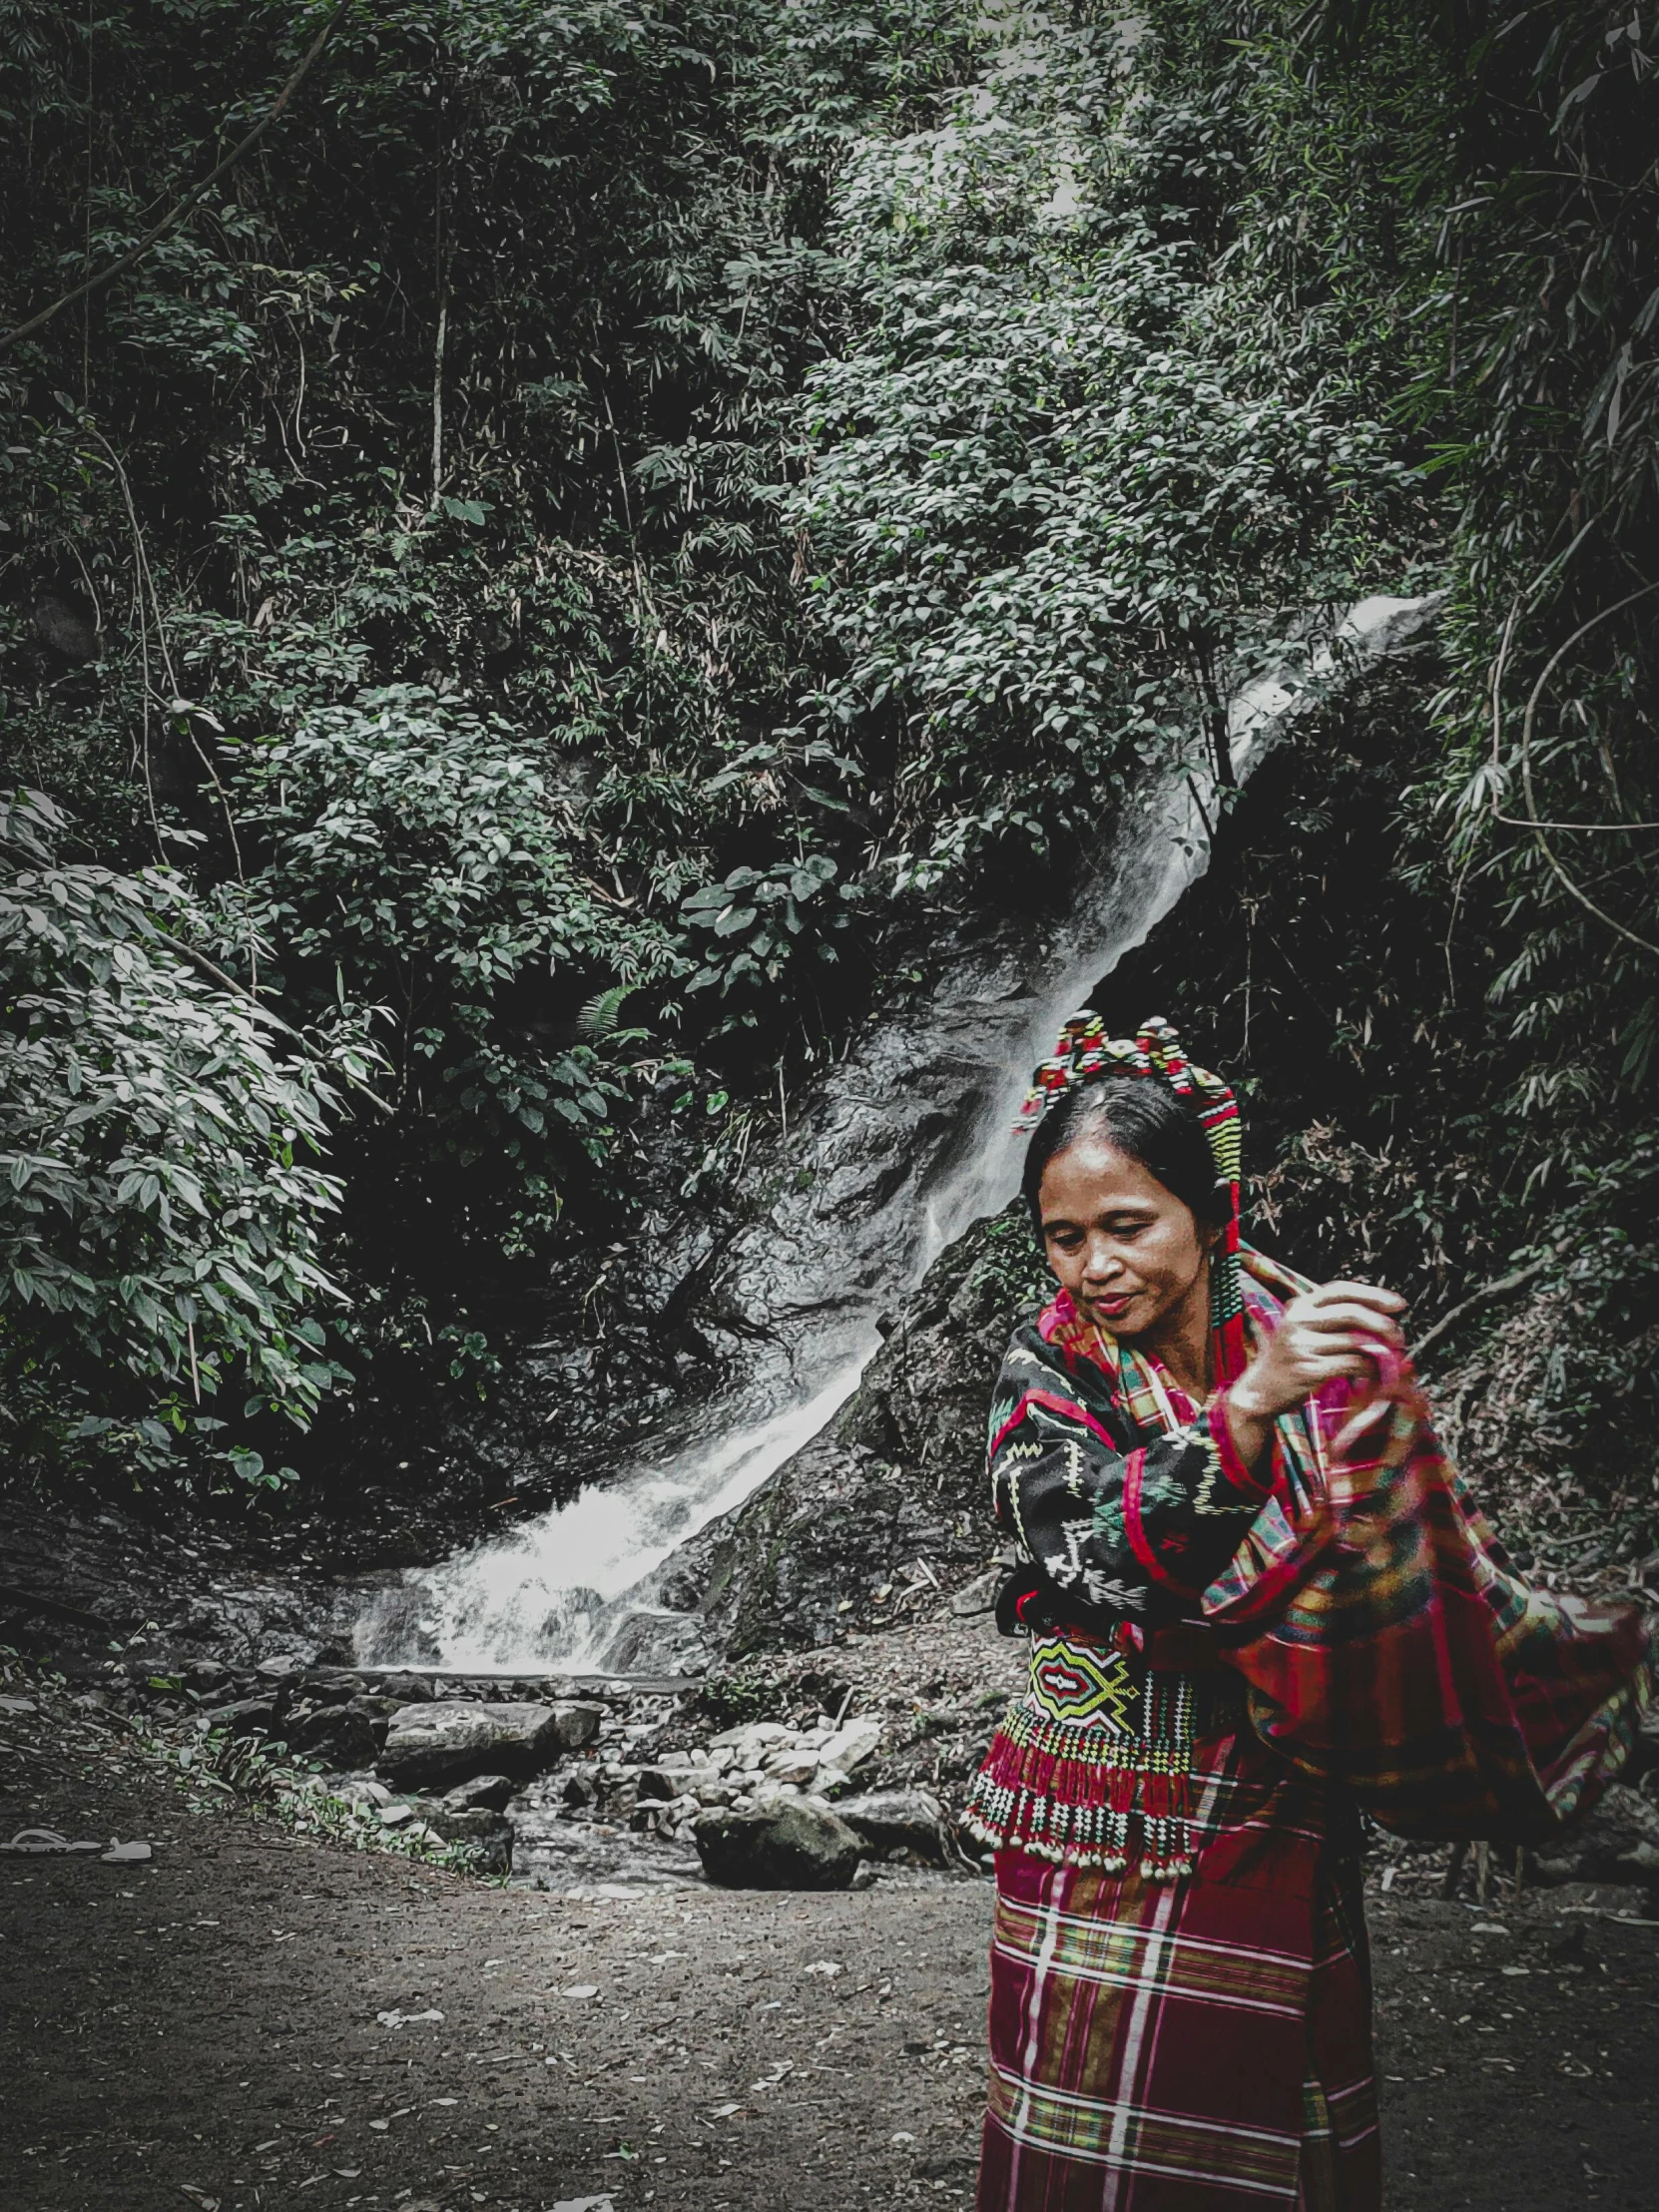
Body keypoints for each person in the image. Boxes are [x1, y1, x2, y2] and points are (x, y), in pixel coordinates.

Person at [966, 1013, 1647, 2211]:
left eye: (1128, 1225)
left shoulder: (1301, 1339)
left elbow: (1418, 1550)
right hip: (1111, 1813)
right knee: (1100, 2145)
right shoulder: (1048, 1373)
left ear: (1208, 1213)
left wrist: (1525, 1657)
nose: (1094, 1266)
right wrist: (1242, 1419)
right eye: (1064, 1237)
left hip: (1283, 1794)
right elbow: (1079, 1540)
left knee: (1282, 2112)